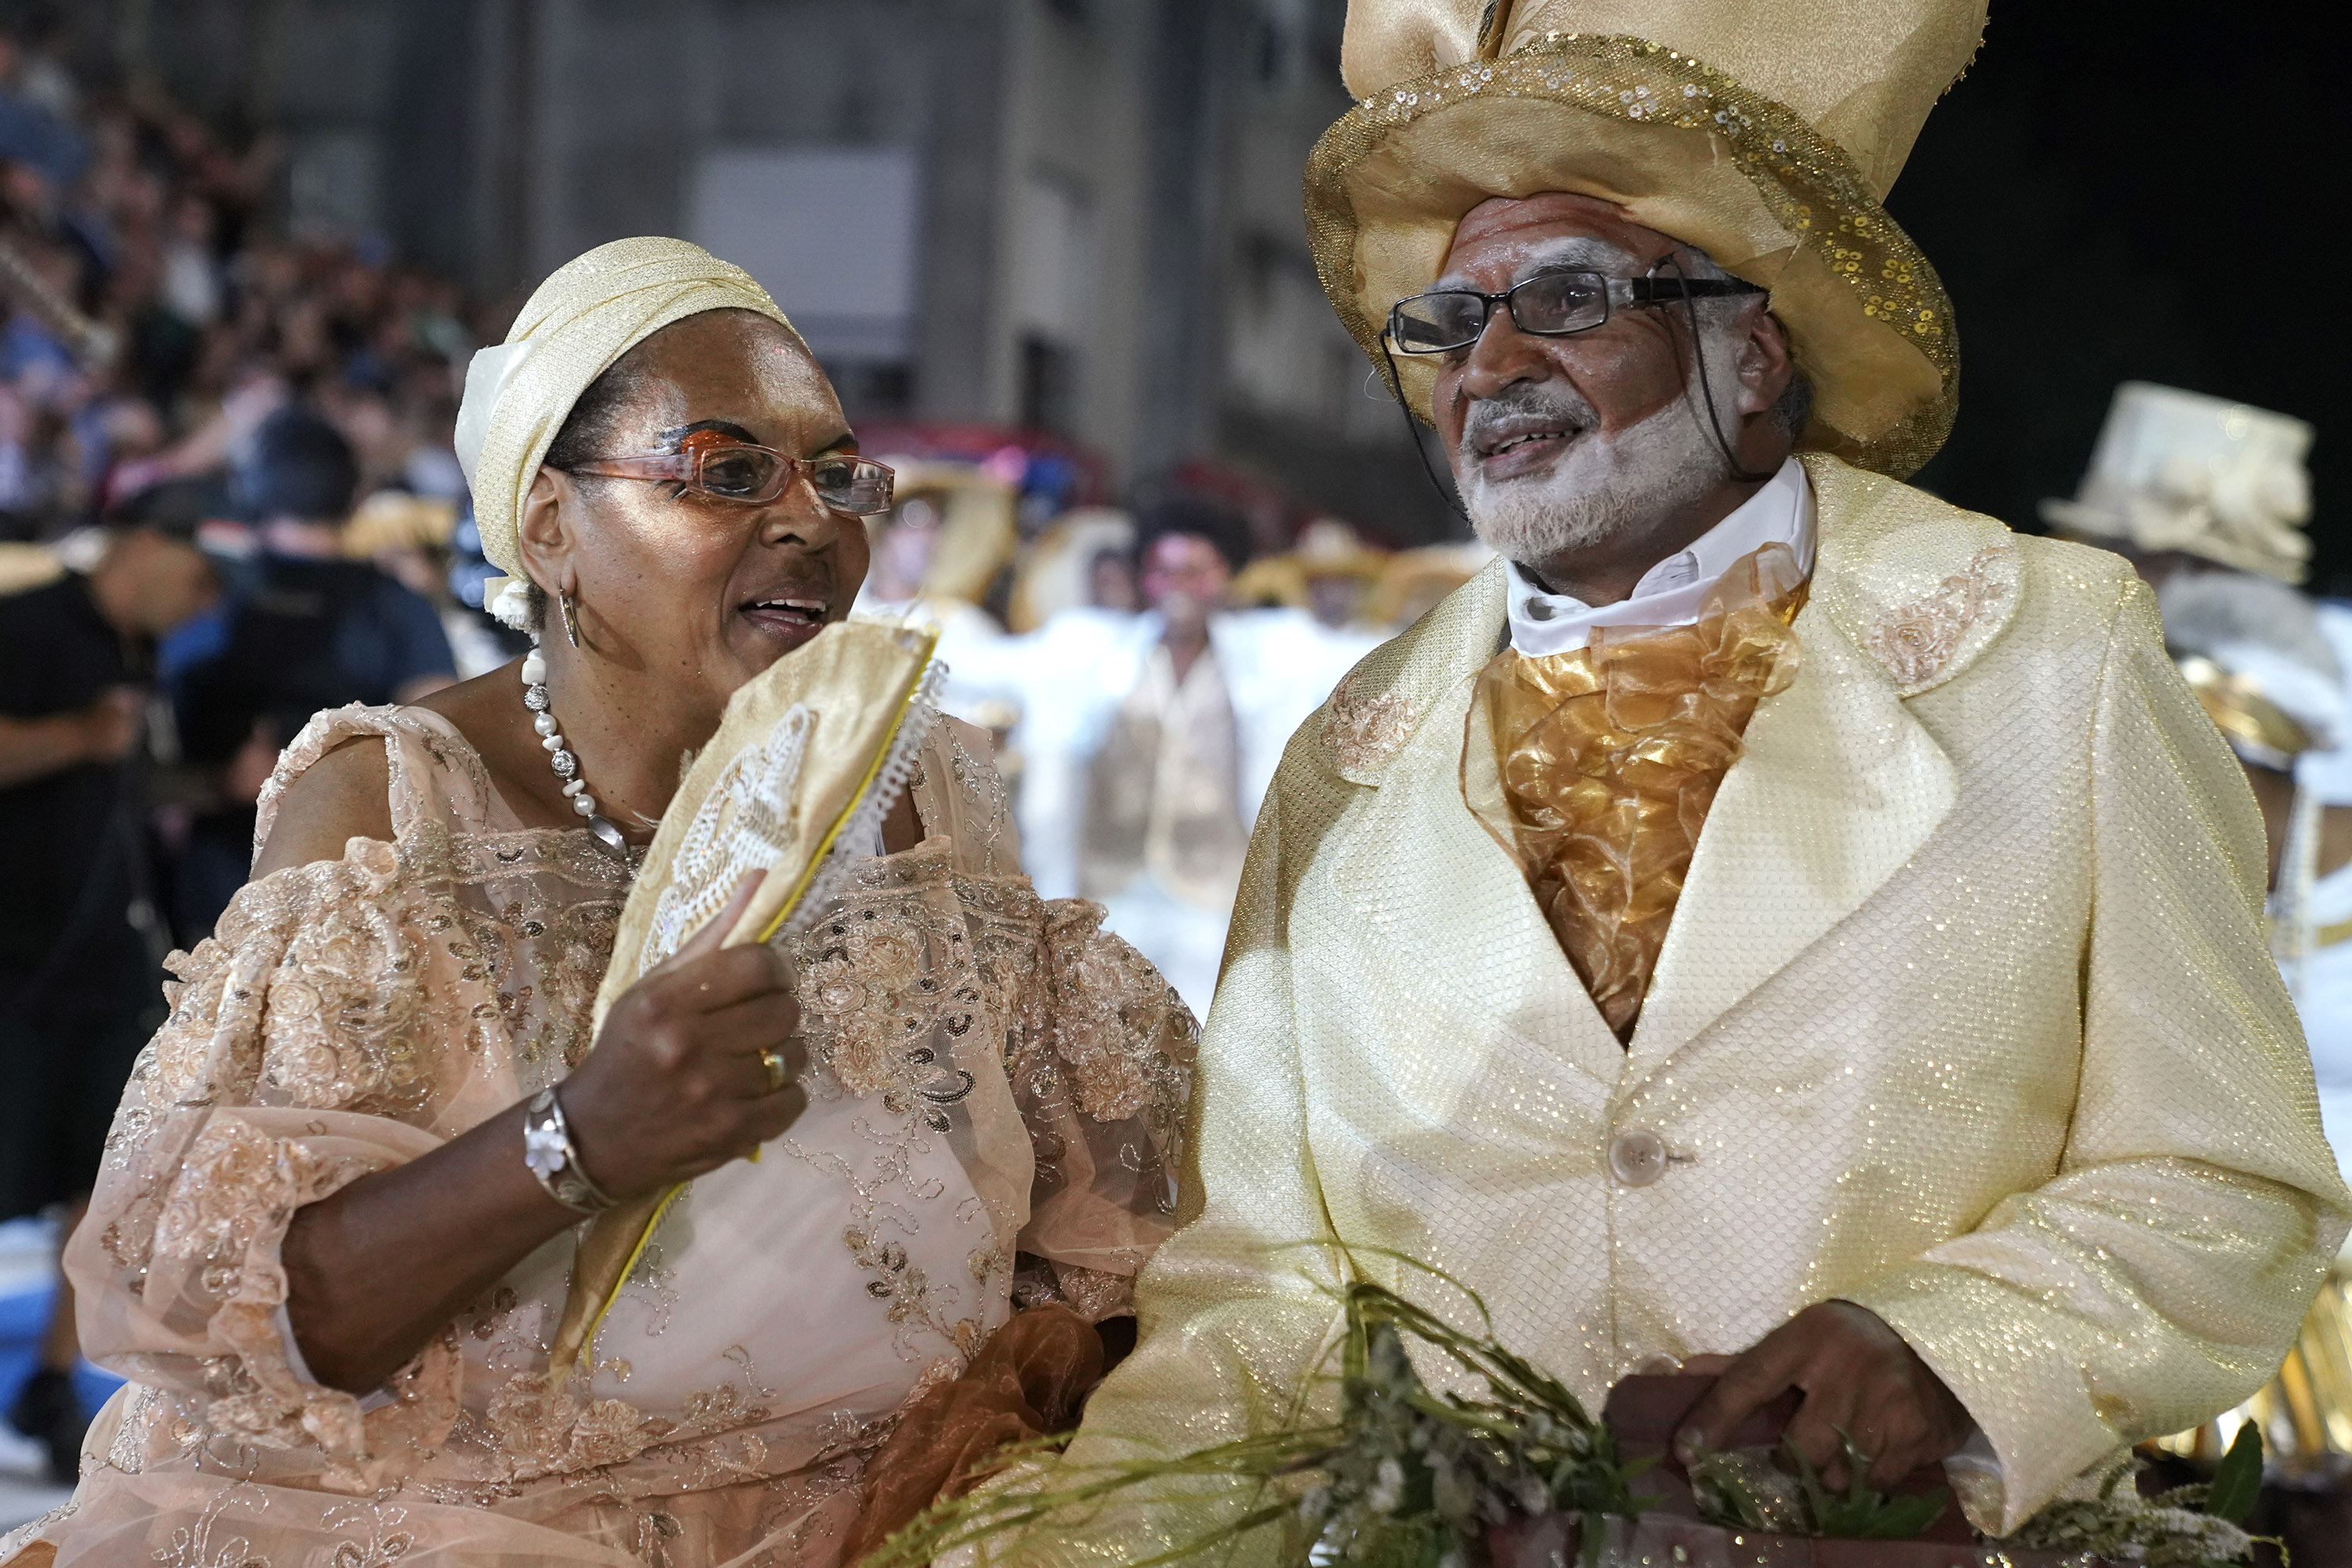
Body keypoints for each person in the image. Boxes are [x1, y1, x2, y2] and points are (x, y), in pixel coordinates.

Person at [1037, 0, 2350, 1555]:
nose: (1492, 364)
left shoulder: (2052, 650)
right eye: (1449, 324)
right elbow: (1257, 1288)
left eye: (1566, 299)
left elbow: (2224, 1175)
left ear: (1750, 351)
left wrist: (1952, 1349)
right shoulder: (1348, 748)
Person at [0, 238, 1192, 1567]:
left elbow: (1091, 1245)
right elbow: (250, 1311)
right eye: (726, 472)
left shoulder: (937, 789)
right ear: (551, 527)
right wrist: (579, 1143)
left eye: (837, 473)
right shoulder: (395, 808)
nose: (811, 518)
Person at [0, 508, 216, 1483]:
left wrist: (213, 782)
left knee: (107, 1168)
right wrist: (77, 734)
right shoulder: (31, 623)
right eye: (191, 576)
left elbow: (133, 784)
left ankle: (51, 1374)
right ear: (143, 550)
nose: (196, 602)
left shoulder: (140, 650)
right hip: (15, 954)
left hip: (104, 958)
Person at [972, 498, 1380, 1013]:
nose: (1179, 587)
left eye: (1195, 572)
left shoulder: (1274, 655)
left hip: (1212, 907)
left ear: (1225, 575)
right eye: (1164, 572)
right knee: (1099, 1055)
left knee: (1201, 1054)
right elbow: (987, 666)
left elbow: (1373, 656)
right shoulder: (1094, 651)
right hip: (1107, 898)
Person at [167, 405, 459, 941]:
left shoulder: (205, 599)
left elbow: (144, 749)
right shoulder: (394, 603)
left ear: (252, 494)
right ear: (351, 496)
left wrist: (233, 779)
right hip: (358, 885)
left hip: (223, 890)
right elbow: (439, 748)